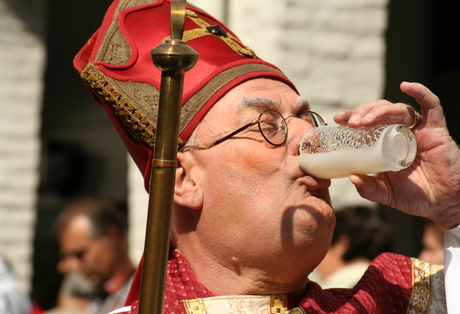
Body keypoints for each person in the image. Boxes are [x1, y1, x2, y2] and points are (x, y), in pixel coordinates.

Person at [73, 1, 460, 313]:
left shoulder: (400, 301)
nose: (310, 136)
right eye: (269, 125)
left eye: (306, 117)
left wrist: (455, 206)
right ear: (185, 181)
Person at [54, 197, 135, 314]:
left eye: (80, 254)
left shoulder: (142, 298)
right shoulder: (99, 299)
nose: (74, 266)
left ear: (112, 236)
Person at [310, 206, 393, 289]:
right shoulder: (394, 288)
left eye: (321, 246)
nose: (317, 264)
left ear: (342, 244)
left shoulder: (330, 294)